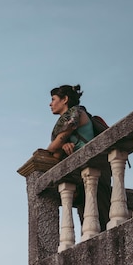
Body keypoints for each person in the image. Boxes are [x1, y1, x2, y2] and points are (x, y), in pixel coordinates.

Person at [46, 84, 111, 230]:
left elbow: (54, 146)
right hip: (82, 174)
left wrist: (55, 146)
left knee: (101, 218)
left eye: (53, 99)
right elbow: (59, 148)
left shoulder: (76, 113)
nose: (50, 104)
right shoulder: (67, 118)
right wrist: (64, 145)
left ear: (65, 99)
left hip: (96, 170)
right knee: (88, 222)